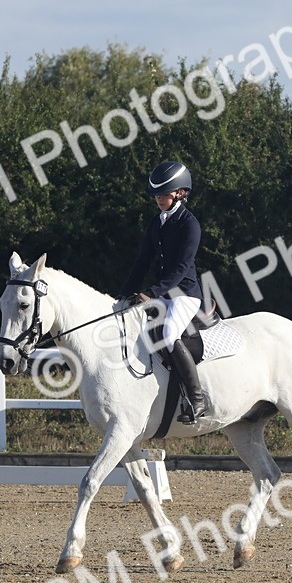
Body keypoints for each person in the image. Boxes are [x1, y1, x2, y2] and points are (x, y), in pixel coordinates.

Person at [119, 160, 210, 423]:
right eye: (156, 195)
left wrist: (152, 292)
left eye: (164, 194)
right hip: (161, 294)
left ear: (180, 193)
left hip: (185, 294)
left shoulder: (189, 224)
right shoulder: (155, 222)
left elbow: (182, 267)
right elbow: (142, 262)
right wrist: (124, 295)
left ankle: (197, 400)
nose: (159, 199)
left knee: (169, 334)